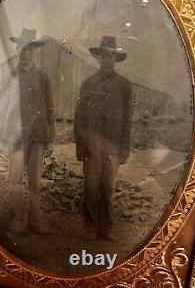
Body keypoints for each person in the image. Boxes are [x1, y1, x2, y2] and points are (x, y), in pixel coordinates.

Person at [74, 36, 133, 242]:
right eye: (103, 56)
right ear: (98, 58)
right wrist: (80, 146)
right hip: (91, 142)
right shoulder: (88, 83)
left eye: (111, 56)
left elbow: (127, 119)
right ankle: (89, 228)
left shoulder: (125, 85)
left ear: (115, 59)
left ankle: (105, 229)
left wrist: (125, 148)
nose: (107, 59)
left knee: (108, 188)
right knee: (90, 187)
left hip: (114, 144)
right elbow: (79, 116)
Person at [0, 37, 55, 234]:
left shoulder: (43, 77)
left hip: (37, 136)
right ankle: (17, 221)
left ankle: (34, 221)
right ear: (17, 49)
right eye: (22, 49)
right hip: (16, 138)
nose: (26, 53)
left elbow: (49, 109)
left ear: (35, 50)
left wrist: (50, 138)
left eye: (30, 49)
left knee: (35, 182)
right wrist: (4, 134)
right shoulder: (10, 77)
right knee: (15, 180)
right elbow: (1, 107)